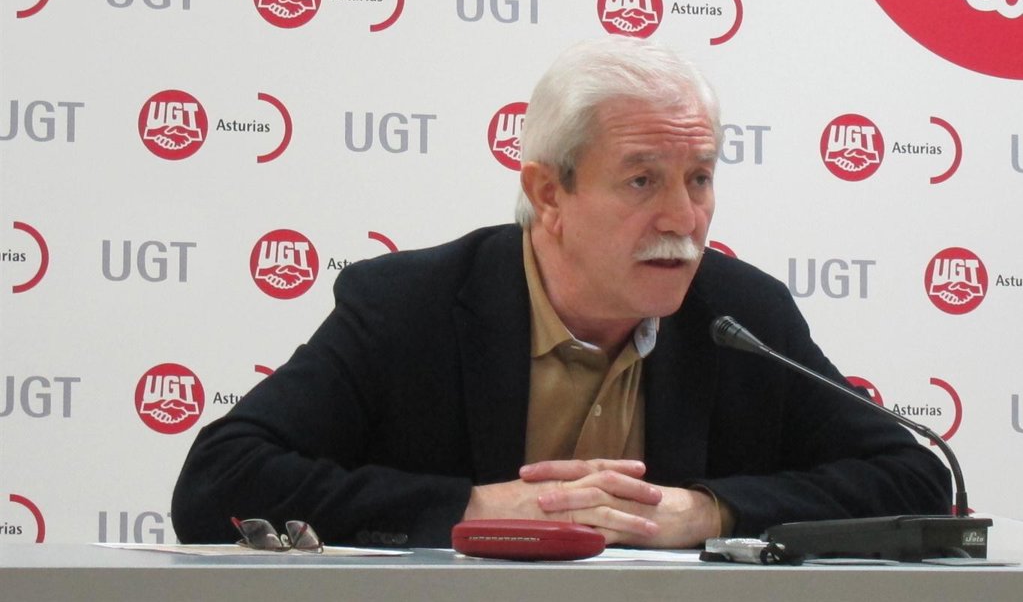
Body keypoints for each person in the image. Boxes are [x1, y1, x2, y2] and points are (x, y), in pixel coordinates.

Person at [172, 37, 949, 548]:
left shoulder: (741, 315)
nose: (683, 219)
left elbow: (914, 479)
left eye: (699, 178)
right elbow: (219, 481)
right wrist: (474, 509)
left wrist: (708, 511)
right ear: (549, 194)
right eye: (642, 181)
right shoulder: (410, 307)